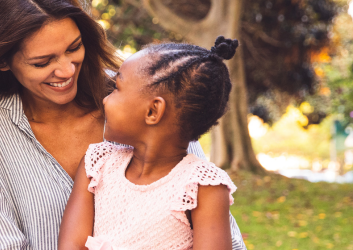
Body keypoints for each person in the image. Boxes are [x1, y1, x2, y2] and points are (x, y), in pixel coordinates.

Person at [0, 0, 246, 249]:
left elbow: (226, 240)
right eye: (43, 62)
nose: (67, 70)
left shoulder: (149, 98)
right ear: (3, 60)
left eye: (74, 47)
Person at [58, 37, 240, 250]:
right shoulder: (97, 165)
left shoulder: (202, 186)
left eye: (117, 88)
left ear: (153, 111)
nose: (105, 100)